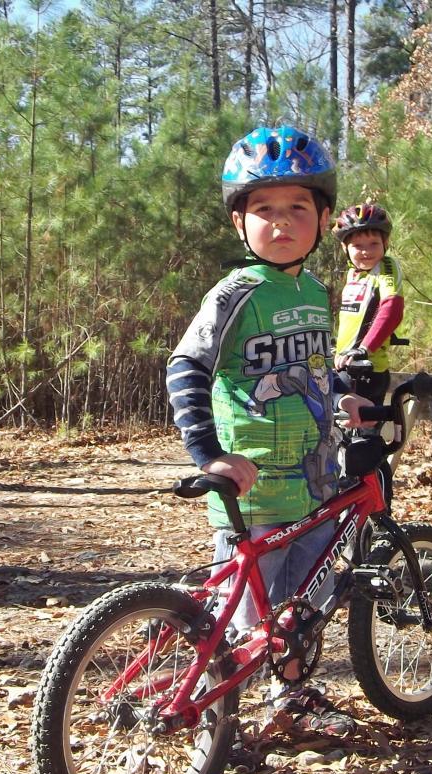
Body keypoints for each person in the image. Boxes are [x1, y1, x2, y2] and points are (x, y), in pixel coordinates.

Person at [166, 124, 373, 738]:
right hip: (253, 488)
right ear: (239, 223)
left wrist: (341, 395)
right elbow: (186, 366)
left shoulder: (314, 290)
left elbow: (312, 368)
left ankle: (291, 697)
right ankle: (214, 723)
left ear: (325, 218)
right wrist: (209, 454)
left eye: (297, 208)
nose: (281, 222)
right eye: (263, 209)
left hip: (313, 482)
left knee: (301, 609)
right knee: (242, 622)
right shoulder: (236, 293)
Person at [332, 203, 404, 406]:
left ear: (385, 243)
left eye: (374, 243)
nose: (366, 251)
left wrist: (364, 349)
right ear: (345, 248)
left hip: (365, 370)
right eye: (358, 246)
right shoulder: (352, 274)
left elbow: (392, 310)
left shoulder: (385, 266)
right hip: (346, 368)